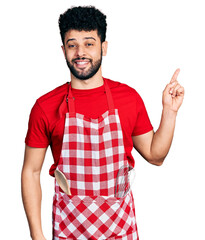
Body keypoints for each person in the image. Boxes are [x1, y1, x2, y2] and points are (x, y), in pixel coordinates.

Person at [21, 6, 184, 240]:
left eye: (89, 43)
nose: (80, 52)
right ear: (63, 50)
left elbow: (155, 155)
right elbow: (31, 171)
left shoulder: (128, 98)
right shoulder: (45, 107)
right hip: (69, 232)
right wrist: (37, 236)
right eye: (72, 44)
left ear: (103, 47)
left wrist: (169, 111)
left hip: (120, 231)